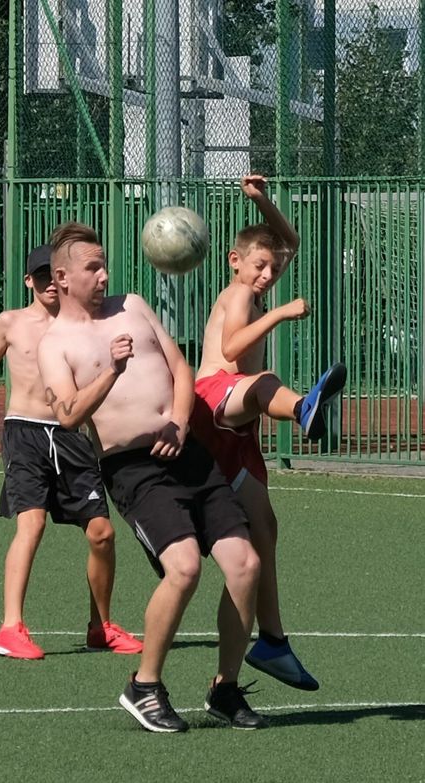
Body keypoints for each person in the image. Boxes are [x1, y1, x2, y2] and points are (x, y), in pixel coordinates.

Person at [38, 220, 269, 733]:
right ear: (63, 277)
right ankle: (144, 686)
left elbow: (181, 368)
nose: (103, 276)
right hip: (133, 468)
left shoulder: (134, 306)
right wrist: (112, 371)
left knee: (246, 564)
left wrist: (181, 421)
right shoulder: (54, 344)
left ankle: (225, 689)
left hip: (187, 451)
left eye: (104, 266)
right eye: (92, 268)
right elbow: (69, 415)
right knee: (183, 568)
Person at [190, 174, 346, 690]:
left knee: (265, 528)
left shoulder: (257, 285)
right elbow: (231, 350)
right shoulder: (238, 293)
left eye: (274, 269)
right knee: (263, 382)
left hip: (240, 428)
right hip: (215, 400)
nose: (268, 273)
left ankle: (273, 641)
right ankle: (302, 408)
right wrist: (279, 312)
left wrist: (262, 200)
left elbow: (290, 241)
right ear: (234, 261)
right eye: (259, 265)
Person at [0, 244, 142, 659]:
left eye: (53, 276)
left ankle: (100, 626)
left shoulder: (81, 326)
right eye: (40, 276)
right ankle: (10, 628)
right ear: (29, 280)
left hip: (71, 437)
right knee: (32, 525)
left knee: (102, 533)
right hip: (24, 432)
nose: (48, 284)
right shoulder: (11, 322)